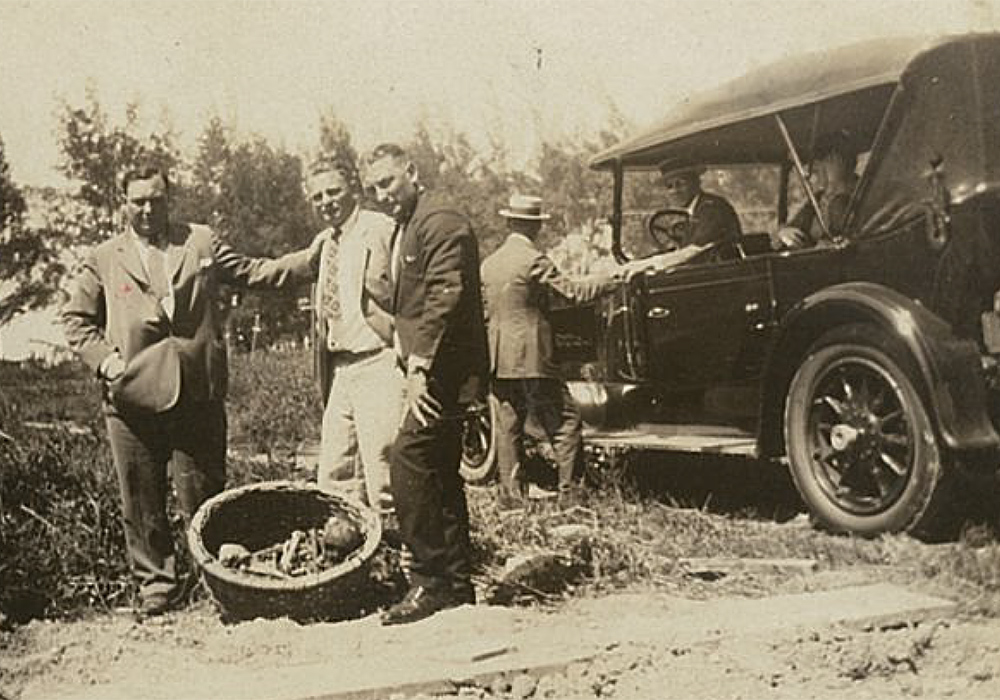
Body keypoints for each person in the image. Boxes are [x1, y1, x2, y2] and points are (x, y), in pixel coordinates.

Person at [61, 164, 324, 617]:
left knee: (205, 496)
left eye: (156, 200)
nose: (147, 209)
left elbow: (253, 271)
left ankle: (218, 584)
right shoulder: (103, 256)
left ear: (170, 199)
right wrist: (108, 363)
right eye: (138, 201)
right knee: (141, 500)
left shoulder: (200, 241)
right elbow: (75, 320)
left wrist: (310, 259)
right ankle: (157, 587)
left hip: (197, 392)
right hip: (130, 399)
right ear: (123, 202)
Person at [365, 143, 489, 626]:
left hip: (442, 373)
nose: (382, 194)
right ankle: (456, 585)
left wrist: (418, 367)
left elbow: (445, 295)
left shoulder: (440, 221)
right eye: (374, 188)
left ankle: (430, 582)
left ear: (411, 173)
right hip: (433, 369)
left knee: (408, 461)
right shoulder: (410, 225)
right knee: (438, 470)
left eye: (389, 183)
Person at [481, 194, 619, 509]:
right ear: (534, 227)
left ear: (508, 223)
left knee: (509, 426)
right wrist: (609, 281)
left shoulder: (490, 264)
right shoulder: (534, 260)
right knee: (566, 423)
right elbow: (572, 292)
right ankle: (572, 497)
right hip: (532, 359)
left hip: (498, 359)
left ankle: (512, 498)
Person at [306, 155, 404, 517]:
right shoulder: (326, 242)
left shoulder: (380, 228)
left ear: (354, 191)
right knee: (335, 474)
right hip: (341, 369)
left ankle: (402, 559)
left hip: (377, 360)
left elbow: (405, 290)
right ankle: (352, 557)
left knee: (384, 472)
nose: (326, 202)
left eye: (333, 192)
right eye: (317, 197)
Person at [776, 134, 859, 249]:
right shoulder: (818, 198)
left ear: (844, 162)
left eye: (828, 159)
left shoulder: (861, 193)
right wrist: (784, 232)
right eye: (818, 161)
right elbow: (793, 227)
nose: (817, 168)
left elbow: (858, 236)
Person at [658, 160, 742, 248]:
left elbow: (697, 249)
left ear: (696, 182)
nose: (675, 191)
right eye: (669, 186)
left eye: (680, 183)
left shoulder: (712, 209)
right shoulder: (694, 211)